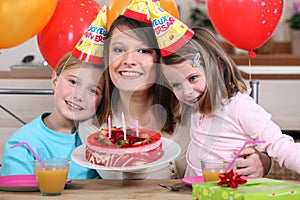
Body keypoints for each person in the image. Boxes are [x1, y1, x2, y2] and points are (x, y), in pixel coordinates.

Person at [79, 15, 270, 179]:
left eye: (144, 50)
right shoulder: (92, 124)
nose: (129, 61)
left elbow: (248, 146)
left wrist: (261, 162)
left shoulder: (195, 111)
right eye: (119, 50)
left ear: (163, 60)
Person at [160, 27, 300, 177]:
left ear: (219, 67)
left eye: (193, 78)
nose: (187, 92)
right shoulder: (196, 106)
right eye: (176, 85)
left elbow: (281, 145)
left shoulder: (240, 106)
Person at [1, 53, 109, 179]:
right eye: (73, 82)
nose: (79, 96)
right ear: (54, 81)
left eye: (93, 90)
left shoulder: (102, 139)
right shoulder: (22, 145)